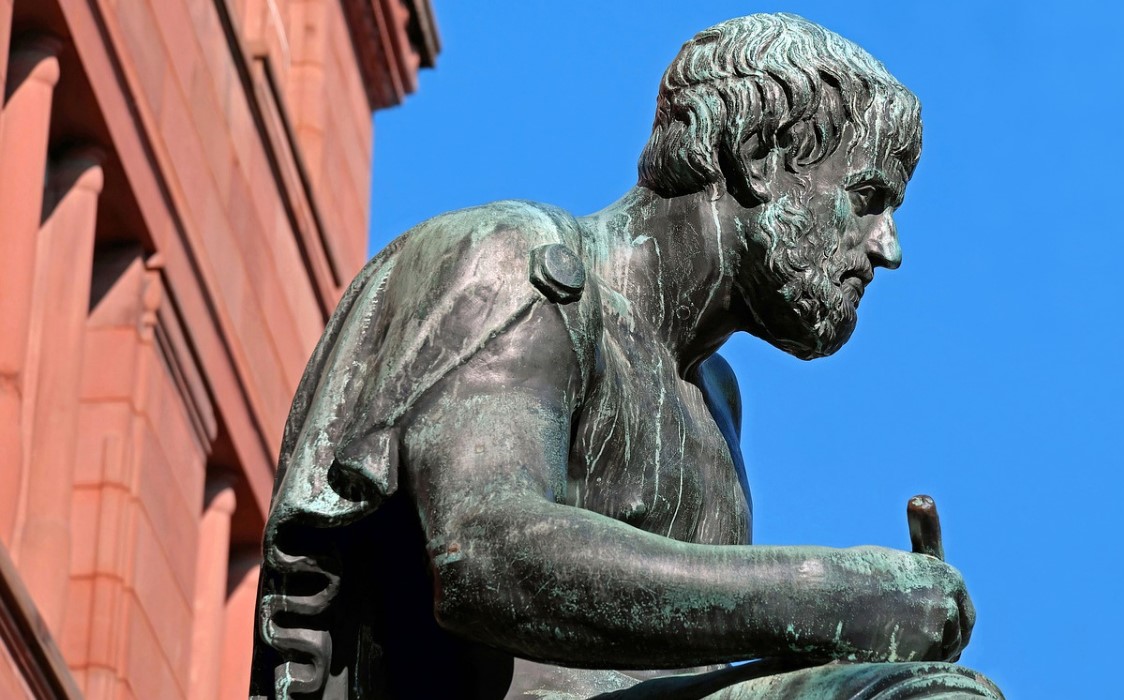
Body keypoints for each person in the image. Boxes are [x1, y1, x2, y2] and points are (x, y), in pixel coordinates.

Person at [250, 14, 1003, 699]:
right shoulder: (519, 262)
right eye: (868, 198)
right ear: (758, 157)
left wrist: (868, 636)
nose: (887, 248)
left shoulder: (715, 399)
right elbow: (485, 557)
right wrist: (830, 594)